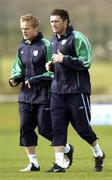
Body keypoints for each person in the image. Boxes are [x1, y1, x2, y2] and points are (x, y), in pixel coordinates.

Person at [9, 14, 74, 172]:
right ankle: (33, 164)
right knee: (25, 128)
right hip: (25, 96)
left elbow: (53, 72)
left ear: (35, 28)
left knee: (45, 129)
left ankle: (66, 148)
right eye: (22, 29)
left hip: (44, 95)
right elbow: (18, 68)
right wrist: (15, 78)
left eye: (27, 29)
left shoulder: (46, 45)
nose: (24, 32)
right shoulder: (21, 48)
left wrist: (35, 80)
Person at [46, 9, 105, 173]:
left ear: (66, 21)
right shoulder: (53, 40)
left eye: (56, 21)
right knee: (57, 128)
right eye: (51, 21)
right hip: (57, 91)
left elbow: (86, 62)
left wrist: (64, 59)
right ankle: (59, 164)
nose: (53, 24)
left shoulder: (77, 38)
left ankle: (98, 153)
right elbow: (57, 61)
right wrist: (51, 66)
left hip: (77, 91)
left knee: (83, 129)